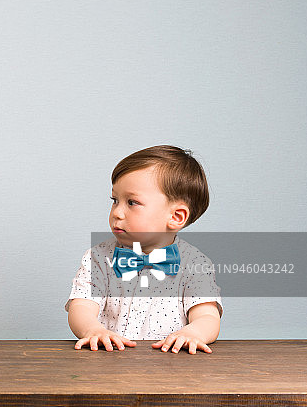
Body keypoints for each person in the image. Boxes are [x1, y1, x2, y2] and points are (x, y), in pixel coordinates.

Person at [66, 145, 222, 354]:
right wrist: (92, 329)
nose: (117, 213)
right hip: (108, 363)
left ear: (176, 217)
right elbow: (81, 306)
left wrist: (194, 333)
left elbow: (207, 316)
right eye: (115, 200)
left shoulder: (195, 264)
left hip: (171, 367)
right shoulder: (98, 258)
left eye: (132, 202)